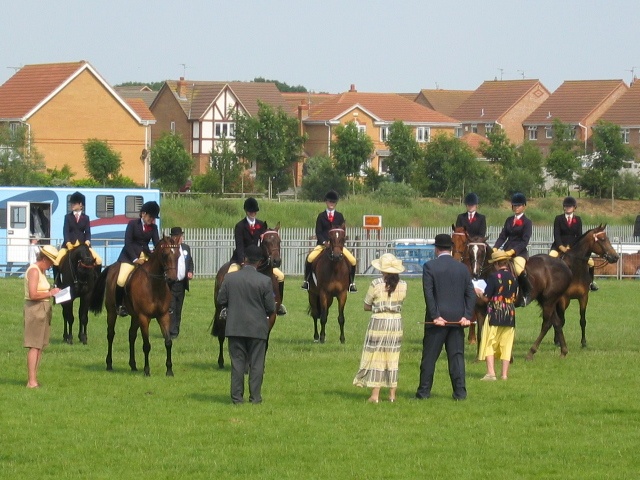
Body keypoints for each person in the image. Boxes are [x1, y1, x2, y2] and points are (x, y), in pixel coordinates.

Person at [415, 234, 475, 401]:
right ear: (451, 248)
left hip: (437, 322)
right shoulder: (462, 268)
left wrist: (435, 316)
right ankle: (460, 393)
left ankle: (423, 392)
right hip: (458, 320)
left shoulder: (429, 267)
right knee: (456, 358)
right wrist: (467, 316)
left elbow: (429, 295)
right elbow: (470, 294)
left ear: (436, 249)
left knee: (429, 358)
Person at [217, 244, 276, 405]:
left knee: (237, 364)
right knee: (256, 364)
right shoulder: (265, 281)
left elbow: (220, 300)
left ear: (244, 260)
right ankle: (255, 398)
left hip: (235, 326)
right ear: (259, 262)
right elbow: (271, 308)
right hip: (257, 328)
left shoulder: (230, 278)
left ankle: (237, 398)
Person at [353, 253, 407, 403]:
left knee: (377, 356)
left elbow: (366, 305)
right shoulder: (404, 285)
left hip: (379, 321)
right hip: (396, 322)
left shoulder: (376, 284)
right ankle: (392, 395)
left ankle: (375, 395)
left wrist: (379, 307)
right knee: (392, 357)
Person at [228, 197, 286, 316]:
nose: (252, 213)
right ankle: (226, 307)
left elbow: (265, 243)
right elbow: (239, 246)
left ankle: (279, 304)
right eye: (250, 211)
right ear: (246, 211)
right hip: (242, 259)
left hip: (258, 261)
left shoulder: (261, 225)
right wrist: (243, 262)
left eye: (254, 211)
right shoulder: (240, 226)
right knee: (230, 274)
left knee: (280, 276)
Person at [301, 190, 357, 292]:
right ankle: (307, 281)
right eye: (330, 201)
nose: (331, 203)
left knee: (353, 260)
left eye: (333, 202)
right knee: (309, 258)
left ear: (335, 203)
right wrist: (324, 242)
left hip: (337, 245)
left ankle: (351, 283)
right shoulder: (321, 216)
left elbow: (342, 232)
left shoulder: (339, 216)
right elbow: (318, 232)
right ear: (326, 202)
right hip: (323, 244)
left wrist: (339, 244)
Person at [476, 250, 518, 381]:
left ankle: (491, 373)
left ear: (496, 264)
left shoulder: (494, 277)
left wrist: (478, 292)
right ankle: (504, 375)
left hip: (495, 313)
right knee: (506, 344)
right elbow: (515, 297)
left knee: (489, 342)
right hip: (510, 314)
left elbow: (486, 298)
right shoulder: (513, 277)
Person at [24, 245, 61, 388]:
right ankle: (31, 380)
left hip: (43, 308)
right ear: (44, 259)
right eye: (50, 262)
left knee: (39, 345)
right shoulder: (34, 271)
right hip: (35, 309)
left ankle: (34, 379)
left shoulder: (41, 271)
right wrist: (50, 293)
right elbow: (33, 294)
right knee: (34, 345)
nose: (51, 265)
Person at [115, 201, 160, 317]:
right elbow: (128, 243)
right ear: (143, 214)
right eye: (151, 217)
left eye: (154, 218)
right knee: (121, 279)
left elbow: (157, 244)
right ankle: (120, 305)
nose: (152, 220)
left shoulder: (154, 228)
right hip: (129, 257)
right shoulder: (132, 224)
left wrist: (160, 250)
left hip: (145, 256)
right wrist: (135, 259)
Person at [549, 196, 598, 291]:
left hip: (574, 248)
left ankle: (591, 282)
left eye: (570, 206)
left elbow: (579, 236)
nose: (568, 208)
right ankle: (551, 282)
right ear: (564, 207)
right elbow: (557, 235)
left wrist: (572, 247)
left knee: (591, 262)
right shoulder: (558, 219)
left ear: (574, 208)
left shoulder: (578, 220)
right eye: (566, 206)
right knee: (551, 257)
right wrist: (561, 247)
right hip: (559, 246)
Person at [493, 192, 533, 307]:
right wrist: (496, 247)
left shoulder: (527, 222)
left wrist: (513, 251)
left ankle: (525, 294)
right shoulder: (509, 220)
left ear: (524, 206)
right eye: (514, 205)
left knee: (519, 269)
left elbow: (525, 241)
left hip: (519, 252)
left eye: (518, 205)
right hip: (506, 250)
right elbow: (503, 236)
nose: (516, 208)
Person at [52, 191, 102, 272]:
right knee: (56, 261)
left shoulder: (86, 218)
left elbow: (87, 232)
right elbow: (66, 231)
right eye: (71, 203)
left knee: (99, 260)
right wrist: (67, 242)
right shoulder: (67, 217)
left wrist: (87, 241)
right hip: (69, 245)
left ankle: (96, 282)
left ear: (81, 204)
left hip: (83, 246)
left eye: (74, 203)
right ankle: (57, 281)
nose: (72, 205)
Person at [168, 227, 194, 339]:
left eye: (182, 236)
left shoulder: (186, 248)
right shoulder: (169, 248)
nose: (181, 238)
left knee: (179, 308)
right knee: (171, 308)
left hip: (182, 284)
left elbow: (190, 262)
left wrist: (190, 271)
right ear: (174, 237)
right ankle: (171, 331)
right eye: (179, 236)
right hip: (171, 284)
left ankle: (176, 330)